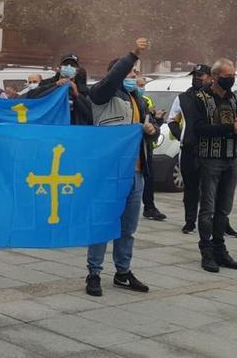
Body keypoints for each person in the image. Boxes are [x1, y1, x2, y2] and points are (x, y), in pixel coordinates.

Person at [85, 38, 158, 297]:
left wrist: (151, 130)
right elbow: (113, 78)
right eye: (130, 72)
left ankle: (123, 272)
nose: (134, 76)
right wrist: (133, 54)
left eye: (136, 73)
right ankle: (94, 272)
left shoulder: (137, 99)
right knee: (102, 223)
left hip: (135, 173)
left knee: (128, 228)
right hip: (108, 173)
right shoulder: (101, 95)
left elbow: (147, 130)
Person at [192, 58, 237, 272]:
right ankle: (206, 250)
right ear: (215, 77)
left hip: (231, 157)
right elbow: (198, 129)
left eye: (233, 76)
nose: (231, 80)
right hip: (210, 158)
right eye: (227, 77)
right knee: (208, 208)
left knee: (224, 209)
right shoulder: (200, 98)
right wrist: (230, 129)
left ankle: (219, 248)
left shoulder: (236, 99)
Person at [167, 65, 211, 235]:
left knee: (209, 189)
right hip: (189, 150)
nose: (197, 78)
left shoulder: (213, 96)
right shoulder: (182, 98)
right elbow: (172, 121)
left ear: (209, 77)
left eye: (201, 75)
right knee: (190, 188)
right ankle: (190, 221)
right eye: (195, 75)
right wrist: (182, 137)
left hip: (209, 150)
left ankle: (209, 222)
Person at [31, 54, 92, 125]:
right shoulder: (47, 83)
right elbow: (33, 96)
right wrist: (55, 85)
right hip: (51, 124)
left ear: (77, 71)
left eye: (72, 65)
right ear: (59, 68)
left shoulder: (83, 89)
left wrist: (77, 95)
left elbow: (90, 113)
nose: (69, 67)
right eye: (66, 64)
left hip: (73, 127)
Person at [138, 76, 167, 222]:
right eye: (139, 84)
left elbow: (151, 123)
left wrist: (158, 120)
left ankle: (149, 207)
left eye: (143, 85)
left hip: (146, 146)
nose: (142, 88)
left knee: (149, 177)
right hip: (135, 148)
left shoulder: (145, 101)